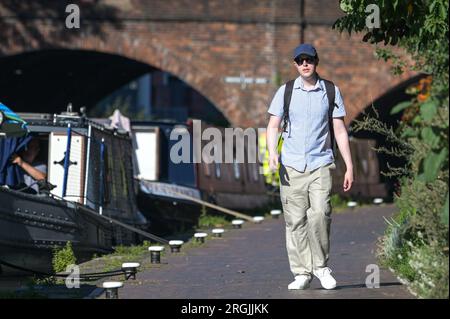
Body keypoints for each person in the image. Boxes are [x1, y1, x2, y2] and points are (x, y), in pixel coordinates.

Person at [266, 44, 354, 290]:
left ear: (316, 62)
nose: (304, 64)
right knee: (295, 221)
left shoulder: (331, 91)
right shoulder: (286, 92)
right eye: (300, 60)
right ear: (295, 64)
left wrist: (349, 166)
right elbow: (273, 126)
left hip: (321, 163)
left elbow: (339, 130)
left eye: (309, 60)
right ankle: (302, 272)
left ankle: (321, 267)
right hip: (291, 166)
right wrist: (272, 153)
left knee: (320, 214)